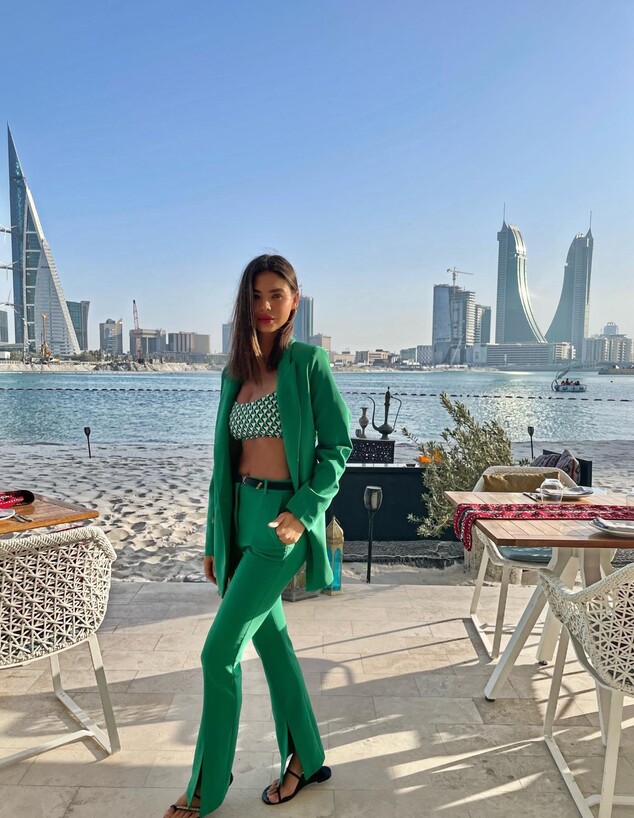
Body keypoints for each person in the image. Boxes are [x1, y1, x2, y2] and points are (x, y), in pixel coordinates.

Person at [164, 255, 352, 817]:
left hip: (279, 523)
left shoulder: (308, 363)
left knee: (217, 653)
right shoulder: (234, 374)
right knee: (273, 646)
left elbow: (337, 448)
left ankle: (207, 784)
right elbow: (222, 465)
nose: (265, 306)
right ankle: (307, 757)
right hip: (239, 517)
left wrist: (302, 511)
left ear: (295, 300)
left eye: (276, 294)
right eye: (255, 296)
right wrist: (212, 539)